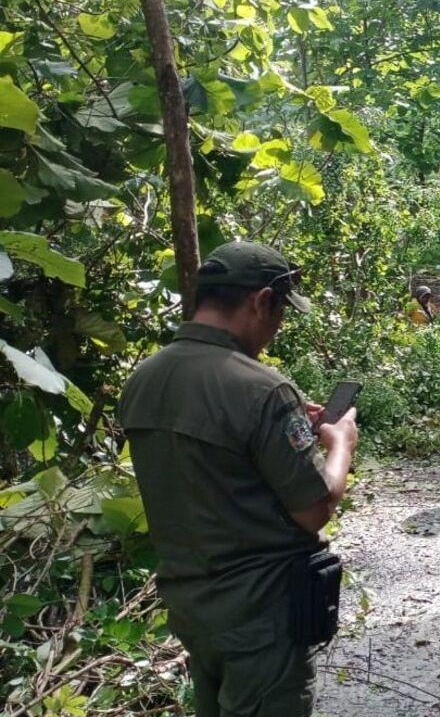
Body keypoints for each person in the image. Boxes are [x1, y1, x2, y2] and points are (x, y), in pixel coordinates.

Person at [118, 241, 358, 717]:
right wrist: (340, 445)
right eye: (280, 312)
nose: (277, 326)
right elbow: (313, 508)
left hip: (191, 605)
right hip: (260, 613)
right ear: (261, 300)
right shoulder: (262, 389)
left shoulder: (144, 378)